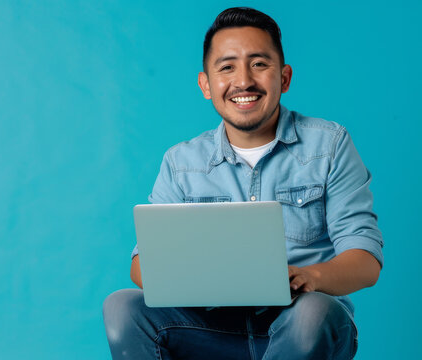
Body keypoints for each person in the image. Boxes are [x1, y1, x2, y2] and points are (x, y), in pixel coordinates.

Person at [103, 7, 383, 360]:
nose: (244, 81)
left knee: (314, 313)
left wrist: (309, 277)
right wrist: (210, 282)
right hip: (209, 330)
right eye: (227, 67)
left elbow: (366, 261)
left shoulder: (329, 146)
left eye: (259, 64)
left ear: (284, 78)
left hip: (302, 327)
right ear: (206, 85)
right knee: (121, 306)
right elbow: (141, 267)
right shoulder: (181, 162)